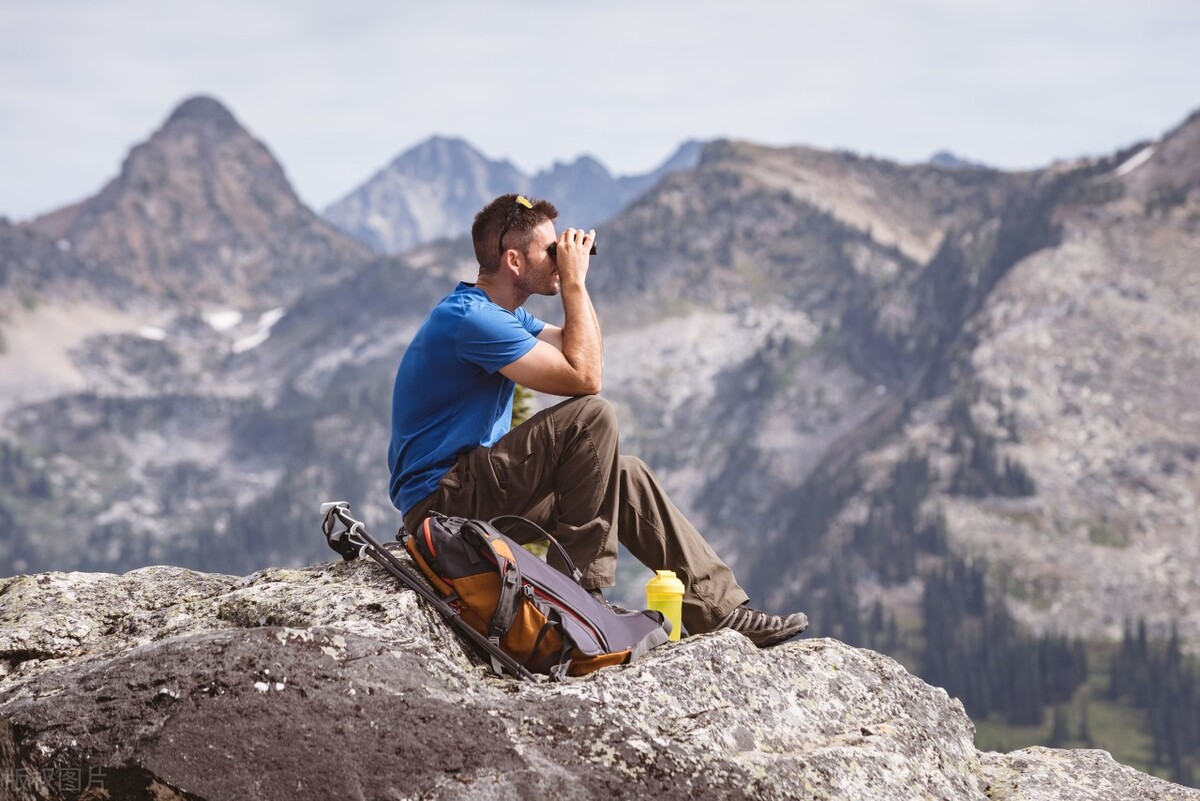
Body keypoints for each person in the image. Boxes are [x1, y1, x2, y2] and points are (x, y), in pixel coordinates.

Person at [387, 193, 808, 647]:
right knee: (592, 418)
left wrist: (575, 282)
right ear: (512, 260)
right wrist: (573, 285)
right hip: (442, 502)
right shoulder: (472, 320)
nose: (559, 258)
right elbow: (586, 381)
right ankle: (579, 596)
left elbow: (582, 350)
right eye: (549, 250)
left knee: (626, 475)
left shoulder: (503, 315)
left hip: (470, 490)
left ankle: (718, 610)